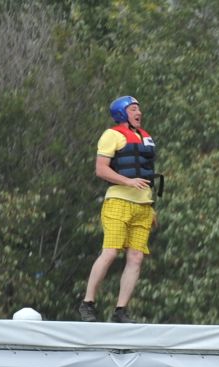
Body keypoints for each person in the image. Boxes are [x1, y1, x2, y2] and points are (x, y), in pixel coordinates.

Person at [79, 95, 158, 323]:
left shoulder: (145, 137)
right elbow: (101, 170)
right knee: (111, 252)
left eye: (139, 109)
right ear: (123, 113)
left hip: (143, 206)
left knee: (136, 258)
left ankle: (121, 310)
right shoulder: (111, 135)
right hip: (118, 202)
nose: (139, 112)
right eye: (134, 109)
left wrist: (151, 207)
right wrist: (127, 182)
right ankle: (88, 303)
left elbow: (147, 175)